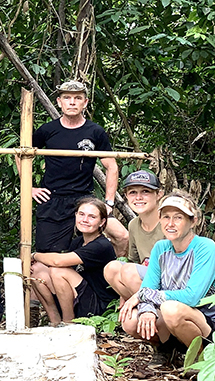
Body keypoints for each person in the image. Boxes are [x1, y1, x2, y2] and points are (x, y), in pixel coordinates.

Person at [17, 80, 128, 256]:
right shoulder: (47, 130)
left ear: (85, 103)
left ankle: (110, 278)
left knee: (122, 236)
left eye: (78, 98)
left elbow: (111, 167)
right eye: (67, 98)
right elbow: (20, 154)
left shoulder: (95, 131)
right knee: (46, 255)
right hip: (53, 199)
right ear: (59, 102)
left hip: (84, 198)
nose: (72, 102)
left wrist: (108, 202)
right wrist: (29, 188)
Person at [119, 191, 215, 348]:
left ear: (193, 221)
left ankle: (199, 359)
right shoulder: (160, 248)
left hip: (211, 324)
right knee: (130, 321)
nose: (170, 223)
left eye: (178, 217)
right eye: (166, 217)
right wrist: (147, 309)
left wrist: (145, 295)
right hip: (175, 317)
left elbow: (192, 297)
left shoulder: (205, 247)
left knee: (170, 309)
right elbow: (148, 287)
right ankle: (166, 350)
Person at [31, 197, 118, 325]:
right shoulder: (78, 242)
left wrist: (33, 255)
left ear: (102, 222)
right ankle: (54, 321)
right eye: (81, 214)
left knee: (58, 271)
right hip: (80, 298)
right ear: (76, 215)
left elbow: (58, 262)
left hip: (99, 305)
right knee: (36, 269)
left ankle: (68, 323)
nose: (85, 220)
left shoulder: (101, 245)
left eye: (92, 217)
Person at [104, 170, 164, 303]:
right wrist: (123, 294)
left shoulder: (168, 223)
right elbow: (133, 261)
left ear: (159, 194)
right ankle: (140, 307)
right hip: (146, 279)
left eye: (145, 192)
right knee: (112, 268)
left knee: (129, 271)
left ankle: (152, 308)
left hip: (170, 281)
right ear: (125, 196)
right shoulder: (133, 225)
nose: (138, 198)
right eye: (132, 192)